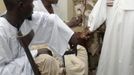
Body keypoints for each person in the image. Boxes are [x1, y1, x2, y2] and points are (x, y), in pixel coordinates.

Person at [0, 0, 88, 75]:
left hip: (29, 63)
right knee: (47, 61)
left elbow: (49, 20)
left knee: (81, 53)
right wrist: (36, 52)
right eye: (31, 3)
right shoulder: (2, 32)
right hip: (22, 69)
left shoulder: (24, 19)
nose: (33, 5)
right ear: (21, 6)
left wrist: (70, 35)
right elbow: (2, 71)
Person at [88, 0, 134, 75]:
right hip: (117, 36)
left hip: (114, 38)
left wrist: (90, 26)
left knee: (113, 62)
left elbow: (97, 14)